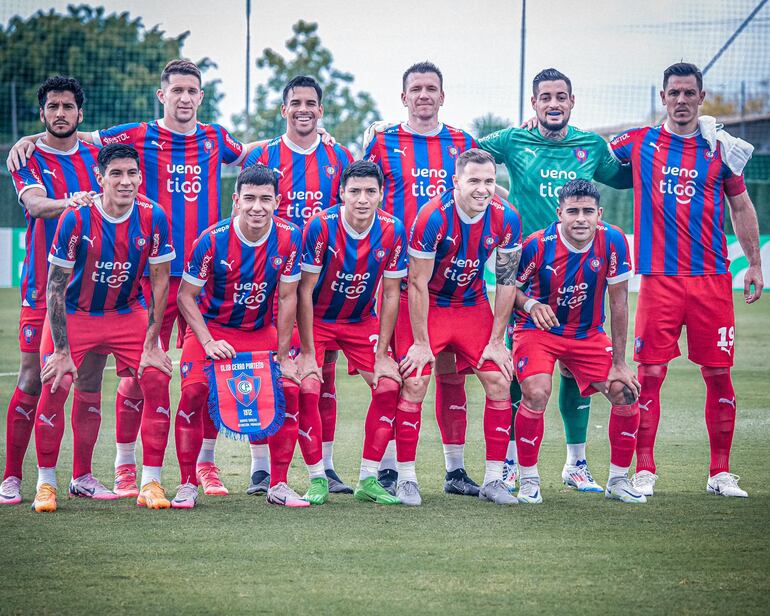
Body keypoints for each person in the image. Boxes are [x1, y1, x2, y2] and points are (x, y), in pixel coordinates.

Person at [7, 59, 248, 499]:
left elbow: (256, 154)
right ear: (163, 95)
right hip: (137, 282)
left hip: (200, 277)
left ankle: (206, 466)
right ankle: (121, 467)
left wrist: (307, 128)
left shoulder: (216, 137)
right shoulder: (135, 134)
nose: (184, 98)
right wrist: (32, 139)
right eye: (176, 90)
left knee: (205, 372)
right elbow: (74, 135)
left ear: (201, 96)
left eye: (192, 91)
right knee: (126, 376)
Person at [609, 62, 763, 497]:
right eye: (673, 93)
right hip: (659, 280)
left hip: (712, 279)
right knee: (651, 374)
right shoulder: (639, 142)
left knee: (719, 374)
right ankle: (644, 470)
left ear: (701, 97)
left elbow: (742, 207)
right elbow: (594, 155)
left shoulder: (722, 148)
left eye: (688, 93)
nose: (680, 100)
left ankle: (720, 473)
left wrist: (753, 264)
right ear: (662, 98)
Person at [478, 68, 632, 493]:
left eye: (560, 96)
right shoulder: (512, 140)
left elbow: (630, 175)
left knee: (575, 370)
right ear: (534, 103)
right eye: (545, 97)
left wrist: (676, 139)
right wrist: (497, 196)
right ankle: (511, 463)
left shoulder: (591, 145)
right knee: (520, 375)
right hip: (525, 271)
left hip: (581, 270)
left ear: (572, 101)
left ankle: (576, 463)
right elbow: (462, 154)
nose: (553, 104)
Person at [31, 143, 175, 512]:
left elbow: (160, 281)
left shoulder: (153, 216)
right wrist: (61, 351)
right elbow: (55, 287)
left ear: (140, 177)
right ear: (100, 178)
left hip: (126, 312)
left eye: (132, 174)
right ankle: (46, 483)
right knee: (56, 380)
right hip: (76, 313)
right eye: (116, 174)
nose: (125, 182)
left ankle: (151, 482)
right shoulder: (76, 219)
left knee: (157, 376)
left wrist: (153, 341)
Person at [364, 61, 481, 496]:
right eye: (416, 88)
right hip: (398, 276)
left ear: (442, 96)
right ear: (403, 97)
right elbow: (361, 190)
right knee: (405, 373)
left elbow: (483, 187)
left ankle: (455, 471)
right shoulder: (381, 140)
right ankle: (391, 470)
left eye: (432, 88)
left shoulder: (463, 142)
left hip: (451, 283)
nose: (424, 95)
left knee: (452, 376)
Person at [242, 75, 354, 495]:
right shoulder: (266, 154)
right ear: (284, 109)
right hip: (269, 277)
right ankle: (260, 468)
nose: (304, 109)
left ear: (321, 111)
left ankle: (323, 465)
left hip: (321, 281)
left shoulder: (339, 156)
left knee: (321, 373)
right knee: (264, 368)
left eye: (311, 103)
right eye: (296, 103)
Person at [1, 76, 109, 506]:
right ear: (41, 113)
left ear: (80, 115)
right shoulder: (25, 158)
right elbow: (36, 205)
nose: (60, 113)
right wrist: (77, 201)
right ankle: (11, 476)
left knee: (89, 380)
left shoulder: (100, 156)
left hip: (94, 292)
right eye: (52, 107)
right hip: (43, 288)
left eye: (67, 107)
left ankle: (82, 475)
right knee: (34, 377)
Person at [175, 163, 307, 508]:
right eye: (249, 198)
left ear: (277, 201)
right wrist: (207, 341)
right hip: (213, 329)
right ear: (236, 201)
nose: (257, 207)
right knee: (194, 392)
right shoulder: (212, 240)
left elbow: (288, 296)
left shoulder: (291, 237)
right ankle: (188, 483)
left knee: (290, 390)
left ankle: (278, 484)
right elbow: (185, 297)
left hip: (260, 331)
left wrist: (282, 356)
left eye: (265, 199)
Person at [395, 148, 522, 506]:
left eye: (489, 181)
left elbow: (507, 280)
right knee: (416, 378)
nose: (483, 189)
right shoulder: (432, 216)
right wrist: (420, 342)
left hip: (471, 304)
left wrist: (498, 340)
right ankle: (406, 478)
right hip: (428, 304)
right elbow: (417, 282)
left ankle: (495, 479)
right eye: (474, 181)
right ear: (456, 182)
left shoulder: (507, 217)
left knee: (499, 377)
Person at [511, 179, 645, 504]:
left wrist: (620, 362)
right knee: (536, 392)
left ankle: (618, 480)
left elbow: (619, 303)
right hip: (538, 332)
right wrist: (530, 304)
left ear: (599, 214)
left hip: (587, 334)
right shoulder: (537, 244)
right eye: (573, 211)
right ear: (560, 213)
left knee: (626, 392)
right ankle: (528, 480)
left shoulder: (612, 241)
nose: (580, 219)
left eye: (588, 211)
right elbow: (508, 291)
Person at [297, 160, 406, 506]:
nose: (362, 199)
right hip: (318, 318)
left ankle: (368, 479)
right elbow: (303, 290)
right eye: (355, 191)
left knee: (389, 384)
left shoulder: (392, 229)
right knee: (309, 386)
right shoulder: (321, 226)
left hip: (360, 321)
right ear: (341, 193)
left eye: (370, 191)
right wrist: (307, 352)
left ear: (381, 195)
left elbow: (390, 293)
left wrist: (383, 352)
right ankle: (317, 479)